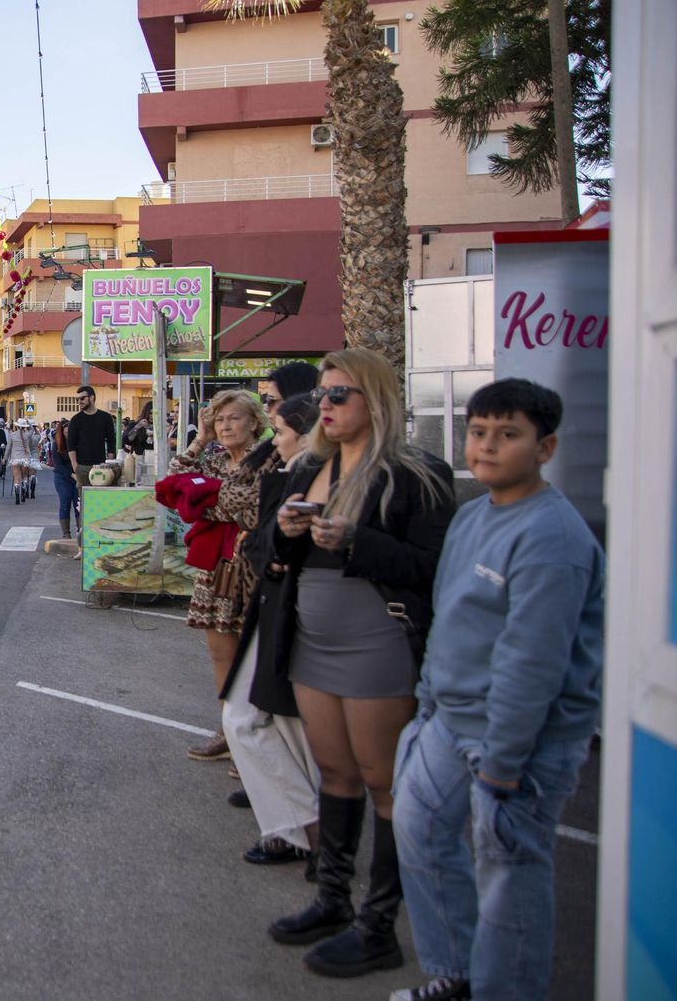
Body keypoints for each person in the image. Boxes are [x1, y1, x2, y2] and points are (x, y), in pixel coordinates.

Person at [390, 380, 603, 1001]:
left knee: (511, 874)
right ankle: (456, 974)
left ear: (546, 447)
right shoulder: (476, 512)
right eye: (478, 431)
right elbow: (450, 615)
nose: (486, 446)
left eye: (507, 434)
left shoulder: (552, 538)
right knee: (421, 831)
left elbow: (531, 662)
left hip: (516, 742)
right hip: (449, 720)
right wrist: (429, 704)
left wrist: (506, 764)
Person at [262, 349, 455, 978]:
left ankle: (379, 926)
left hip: (378, 640)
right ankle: (333, 901)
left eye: (340, 394)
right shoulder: (309, 465)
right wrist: (285, 531)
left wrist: (356, 540)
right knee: (335, 773)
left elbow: (432, 569)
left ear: (377, 401)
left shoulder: (415, 473)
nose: (326, 405)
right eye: (323, 393)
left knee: (385, 782)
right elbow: (270, 547)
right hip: (312, 638)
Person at [222, 394, 323, 871]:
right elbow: (259, 539)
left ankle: (305, 827)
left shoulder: (303, 473)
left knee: (258, 720)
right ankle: (295, 827)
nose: (275, 442)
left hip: (295, 612)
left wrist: (264, 540)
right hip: (269, 602)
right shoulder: (285, 468)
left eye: (279, 429)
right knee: (258, 718)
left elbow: (237, 512)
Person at [166, 390, 271, 764]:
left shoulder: (270, 459)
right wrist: (201, 439)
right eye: (220, 420)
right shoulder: (213, 457)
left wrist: (209, 500)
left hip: (252, 569)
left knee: (254, 655)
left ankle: (256, 740)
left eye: (234, 419)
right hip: (216, 566)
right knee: (220, 653)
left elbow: (257, 507)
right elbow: (175, 484)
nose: (226, 426)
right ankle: (228, 731)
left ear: (254, 422)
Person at [66, 385, 116, 487]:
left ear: (92, 397)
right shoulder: (75, 420)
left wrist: (109, 462)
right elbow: (71, 445)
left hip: (101, 466)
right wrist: (75, 467)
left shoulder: (105, 418)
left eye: (82, 398)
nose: (79, 401)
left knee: (100, 499)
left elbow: (111, 440)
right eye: (77, 399)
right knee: (84, 500)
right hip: (82, 467)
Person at [50, 416, 78, 540]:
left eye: (70, 432)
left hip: (77, 477)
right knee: (65, 503)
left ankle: (80, 531)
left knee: (78, 504)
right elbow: (58, 465)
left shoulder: (77, 442)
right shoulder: (56, 444)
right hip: (62, 477)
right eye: (66, 432)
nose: (68, 434)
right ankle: (66, 534)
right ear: (61, 432)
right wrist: (72, 475)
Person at [10, 419, 40, 505]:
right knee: (32, 475)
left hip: (20, 457)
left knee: (21, 476)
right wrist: (32, 426)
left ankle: (22, 493)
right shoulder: (35, 436)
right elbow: (34, 432)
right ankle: (32, 492)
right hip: (32, 457)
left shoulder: (17, 435)